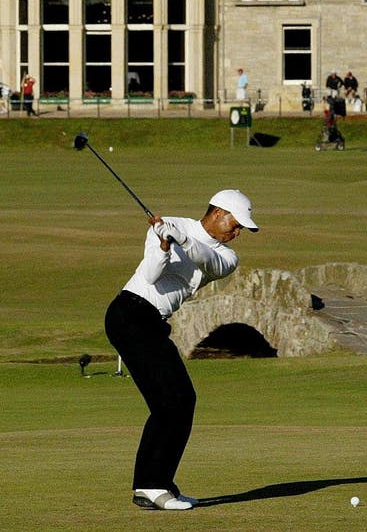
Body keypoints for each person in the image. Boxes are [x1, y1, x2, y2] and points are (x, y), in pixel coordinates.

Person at [104, 189, 259, 512]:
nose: (238, 232)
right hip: (129, 314)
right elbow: (150, 275)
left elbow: (209, 260)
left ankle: (159, 484)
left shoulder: (228, 257)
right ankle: (151, 485)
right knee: (172, 403)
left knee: (178, 402)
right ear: (217, 212)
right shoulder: (170, 224)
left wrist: (183, 242)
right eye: (235, 224)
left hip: (152, 322)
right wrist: (163, 245)